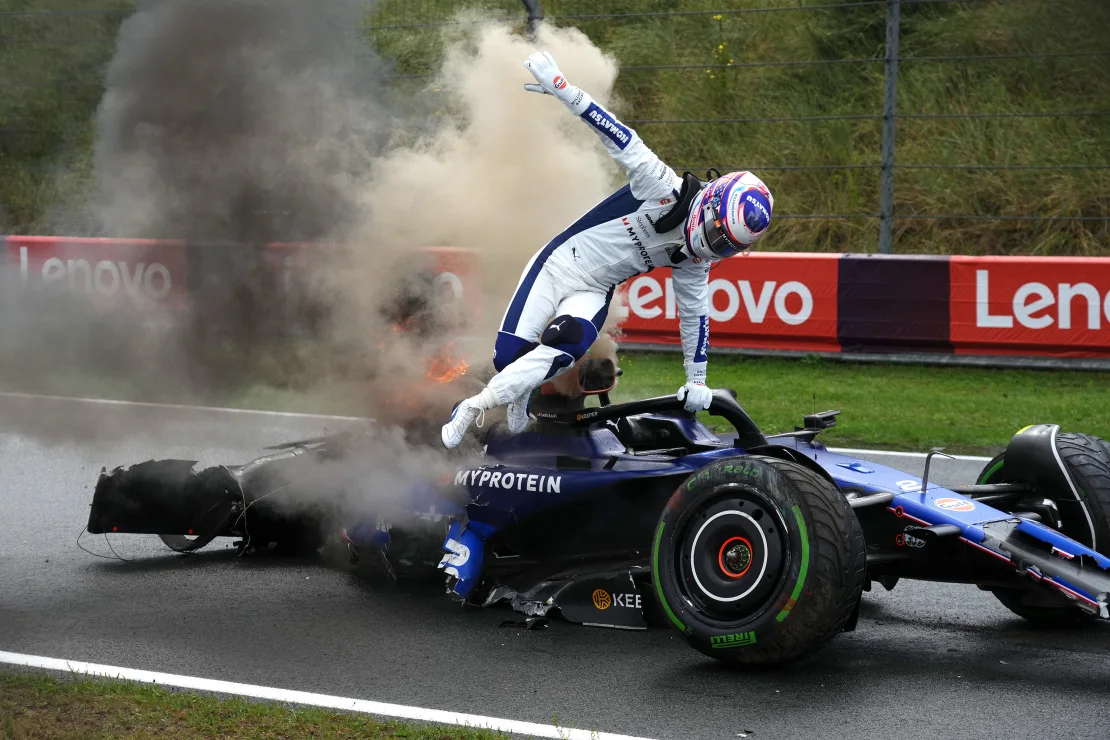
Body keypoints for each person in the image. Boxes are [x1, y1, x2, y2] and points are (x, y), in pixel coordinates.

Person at [441, 51, 774, 449]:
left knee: (565, 349)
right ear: (710, 202)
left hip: (593, 291)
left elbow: (695, 318)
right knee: (507, 357)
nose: (713, 247)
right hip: (557, 264)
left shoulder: (695, 260)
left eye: (726, 247)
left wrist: (697, 381)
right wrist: (563, 88)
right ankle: (510, 394)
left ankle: (479, 405)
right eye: (717, 234)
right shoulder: (660, 185)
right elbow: (614, 132)